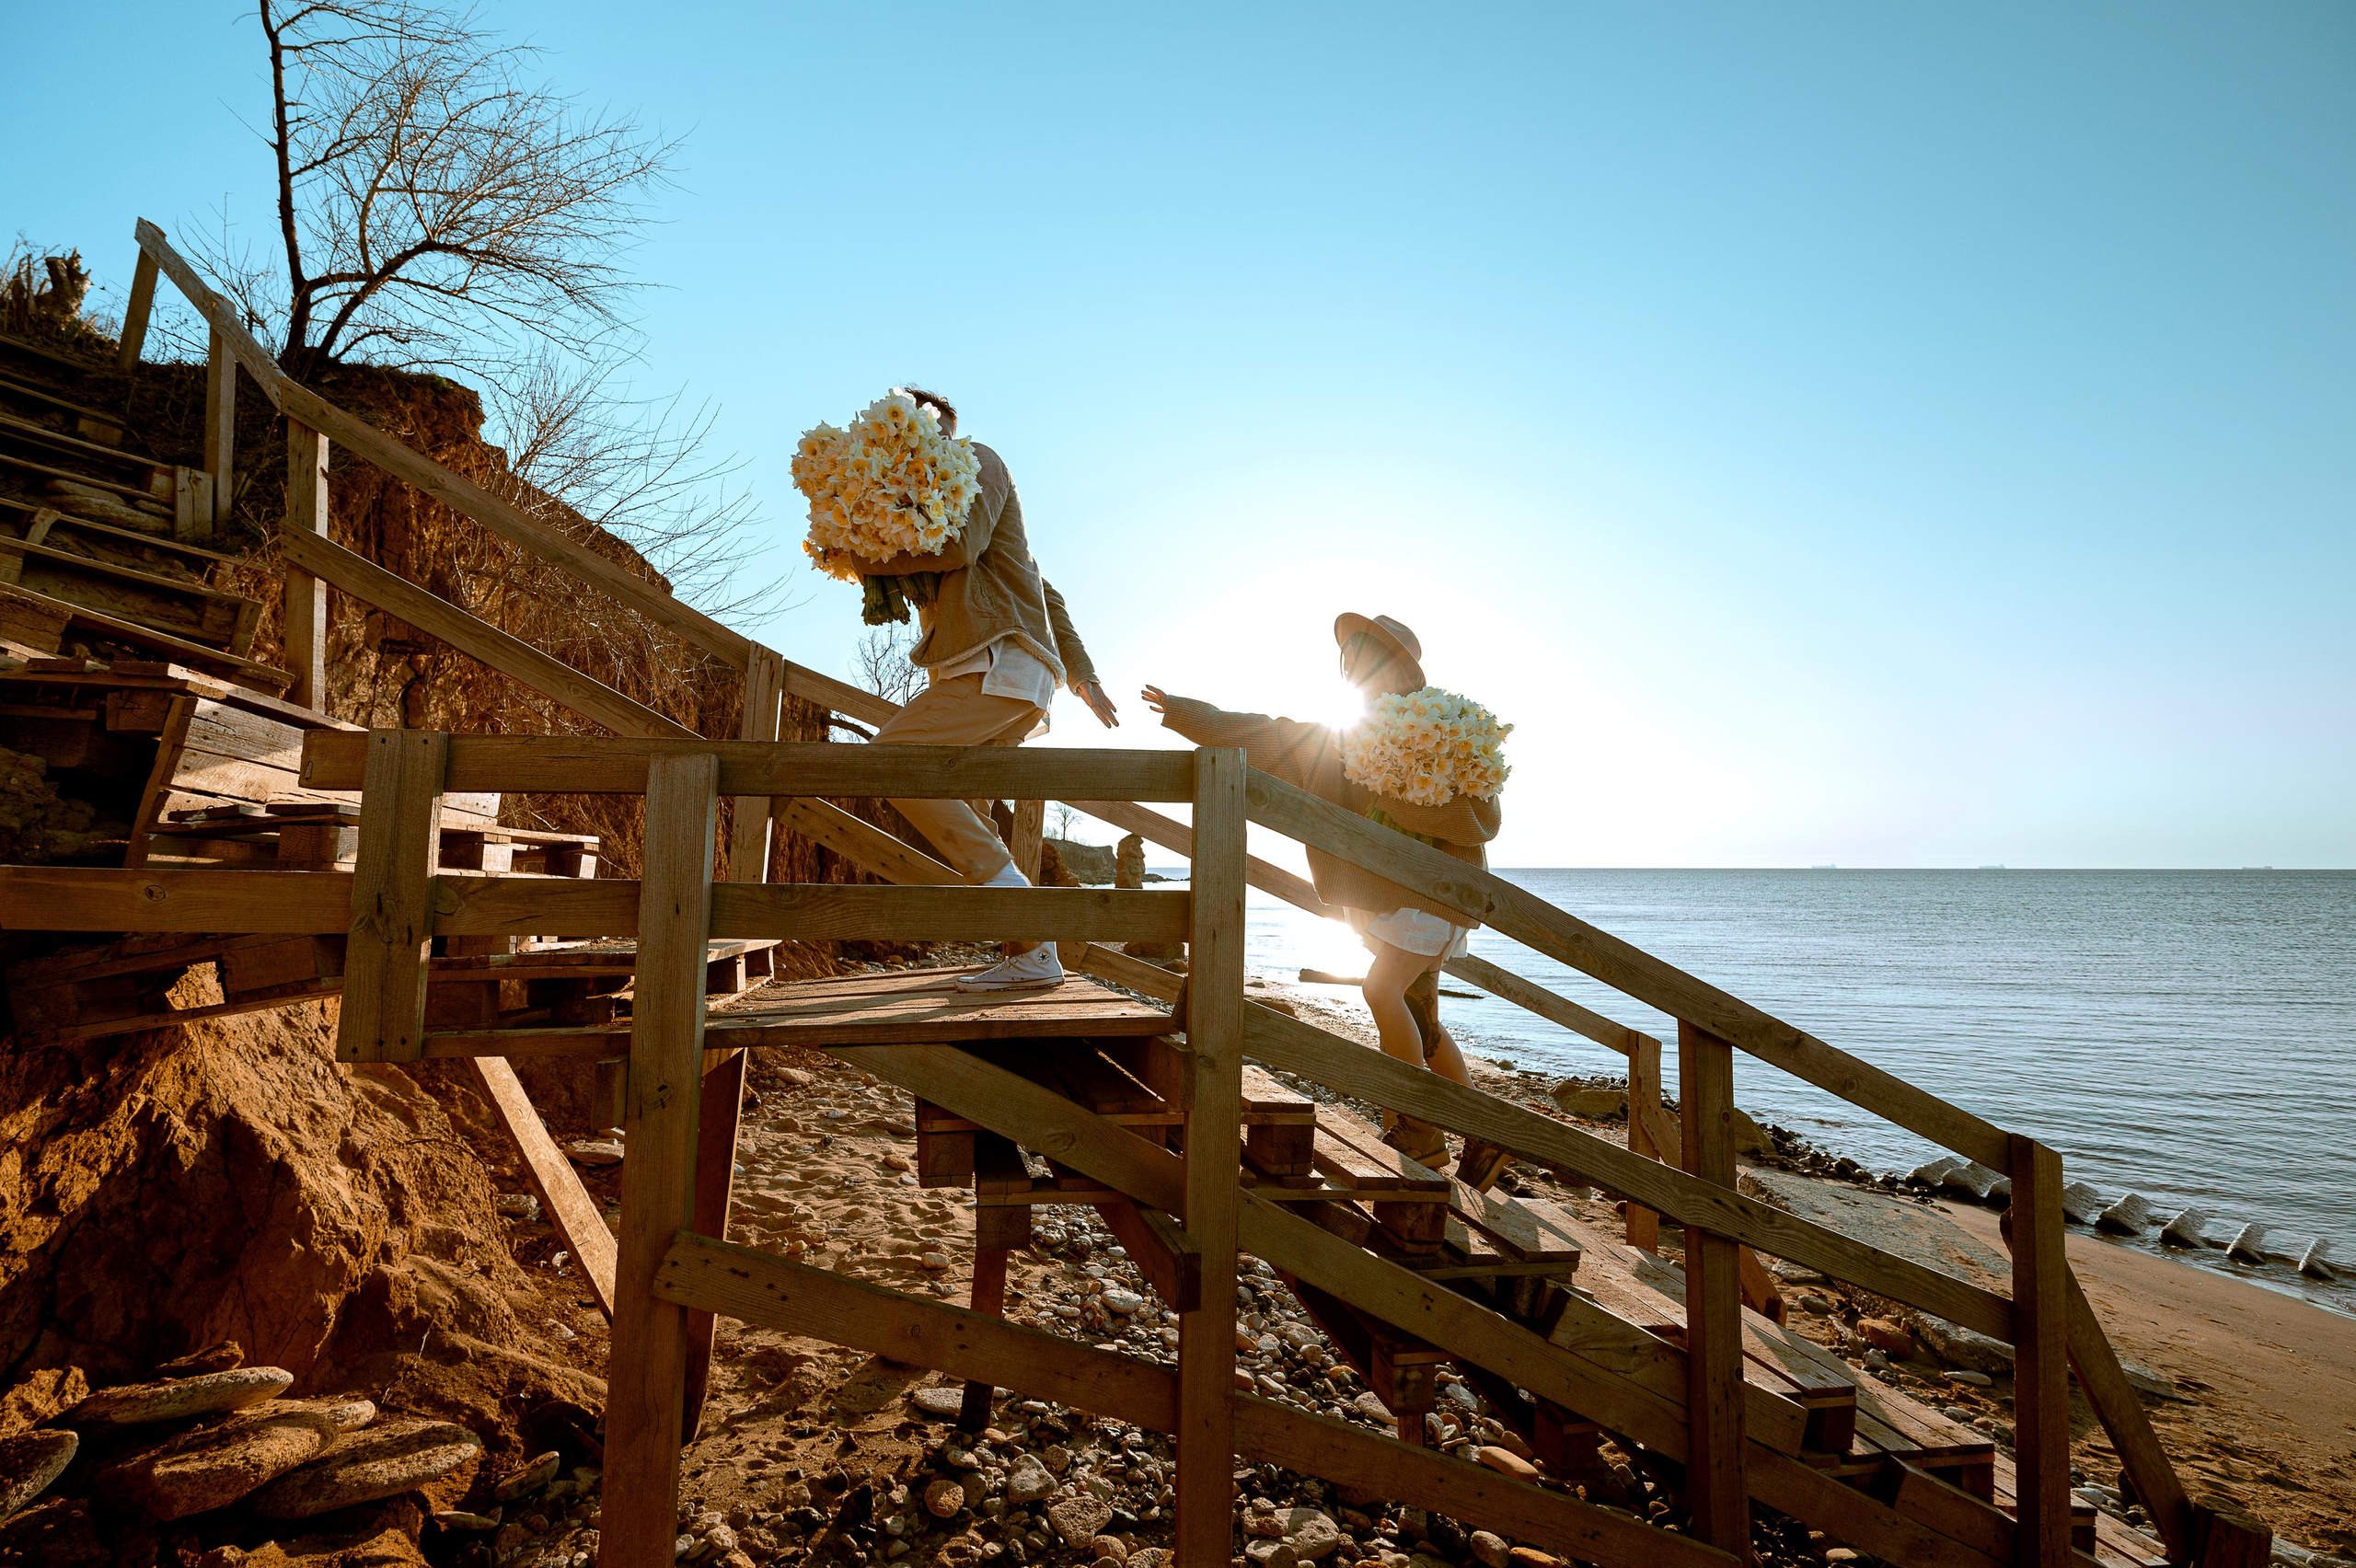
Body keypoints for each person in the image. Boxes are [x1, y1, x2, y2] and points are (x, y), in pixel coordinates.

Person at [1141, 612, 1505, 1178]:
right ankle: (1491, 1134)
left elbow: (1480, 820)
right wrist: (1184, 711)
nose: (1358, 666)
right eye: (1353, 658)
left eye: (1370, 657)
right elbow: (1263, 735)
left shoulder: (1447, 727)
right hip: (1394, 901)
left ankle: (1419, 1129)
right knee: (1421, 1019)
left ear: (1403, 669)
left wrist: (1410, 789)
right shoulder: (1342, 736)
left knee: (1380, 989)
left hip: (1438, 892)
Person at [833, 389, 1118, 991]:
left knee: (889, 763)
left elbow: (961, 549)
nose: (917, 438)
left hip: (998, 667)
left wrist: (866, 557)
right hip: (997, 672)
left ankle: (1014, 902)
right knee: (978, 815)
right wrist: (1080, 675)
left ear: (945, 429)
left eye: (926, 425)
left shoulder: (979, 461)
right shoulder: (918, 503)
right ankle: (1033, 954)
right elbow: (1044, 588)